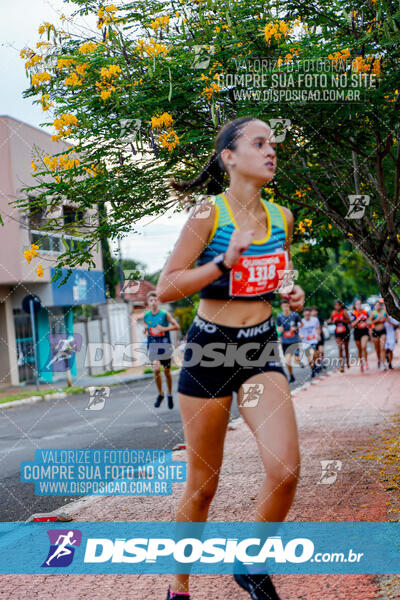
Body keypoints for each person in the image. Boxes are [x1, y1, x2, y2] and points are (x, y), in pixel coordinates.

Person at [156, 116, 305, 600]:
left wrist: (289, 291)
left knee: (285, 471)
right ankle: (178, 589)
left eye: (273, 144)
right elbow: (166, 288)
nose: (271, 151)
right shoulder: (208, 214)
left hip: (261, 348)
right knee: (202, 486)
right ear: (229, 158)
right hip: (209, 349)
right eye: (259, 143)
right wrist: (222, 261)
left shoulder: (280, 218)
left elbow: (272, 275)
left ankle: (252, 564)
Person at [143, 291, 180, 408]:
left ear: (158, 302)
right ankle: (160, 394)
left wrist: (164, 328)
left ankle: (169, 394)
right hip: (153, 345)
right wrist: (146, 331)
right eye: (151, 301)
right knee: (156, 369)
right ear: (148, 303)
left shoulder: (164, 314)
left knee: (167, 372)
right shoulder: (146, 316)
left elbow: (176, 326)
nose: (153, 303)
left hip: (164, 344)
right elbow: (146, 327)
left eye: (155, 300)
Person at [277, 299, 302, 383]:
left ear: (289, 306)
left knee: (296, 359)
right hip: (285, 341)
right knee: (287, 361)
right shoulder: (279, 317)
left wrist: (296, 328)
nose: (285, 308)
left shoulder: (295, 315)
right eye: (284, 306)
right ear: (282, 307)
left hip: (295, 340)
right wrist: (279, 329)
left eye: (287, 306)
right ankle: (291, 376)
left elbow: (301, 324)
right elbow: (278, 327)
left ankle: (298, 359)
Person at [328, 300, 351, 373]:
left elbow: (349, 321)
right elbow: (330, 320)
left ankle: (347, 361)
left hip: (345, 331)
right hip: (338, 332)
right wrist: (331, 321)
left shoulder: (344, 312)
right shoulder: (333, 313)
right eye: (335, 305)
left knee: (346, 348)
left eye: (338, 305)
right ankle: (342, 366)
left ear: (341, 306)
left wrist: (342, 320)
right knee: (340, 347)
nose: (337, 307)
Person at [298, 307, 321, 379]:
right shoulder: (300, 322)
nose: (307, 315)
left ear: (310, 314)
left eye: (308, 314)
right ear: (303, 314)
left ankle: (316, 365)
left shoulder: (315, 320)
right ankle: (313, 369)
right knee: (309, 358)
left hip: (313, 340)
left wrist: (319, 334)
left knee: (314, 354)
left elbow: (317, 328)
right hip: (305, 341)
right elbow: (298, 332)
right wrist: (300, 335)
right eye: (306, 314)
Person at [350, 299, 370, 372]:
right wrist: (358, 319)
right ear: (355, 305)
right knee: (359, 349)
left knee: (363, 346)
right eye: (357, 304)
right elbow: (352, 325)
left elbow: (369, 321)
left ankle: (366, 361)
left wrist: (368, 323)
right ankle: (361, 363)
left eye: (359, 304)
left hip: (364, 331)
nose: (358, 305)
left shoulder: (365, 312)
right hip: (357, 332)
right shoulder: (353, 313)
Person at [368, 299, 387, 371]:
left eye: (379, 305)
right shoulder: (373, 313)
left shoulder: (384, 312)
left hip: (383, 331)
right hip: (375, 332)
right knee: (378, 349)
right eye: (376, 305)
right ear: (374, 306)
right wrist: (376, 320)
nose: (378, 306)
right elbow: (369, 323)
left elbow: (388, 320)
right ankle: (379, 359)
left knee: (382, 348)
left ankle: (383, 363)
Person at [311, 306, 325, 372]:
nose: (313, 312)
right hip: (313, 339)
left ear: (317, 312)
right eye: (312, 311)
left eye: (315, 311)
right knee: (315, 353)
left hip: (320, 337)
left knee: (321, 351)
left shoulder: (319, 318)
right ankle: (317, 365)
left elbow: (321, 326)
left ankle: (321, 361)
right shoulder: (309, 320)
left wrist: (319, 333)